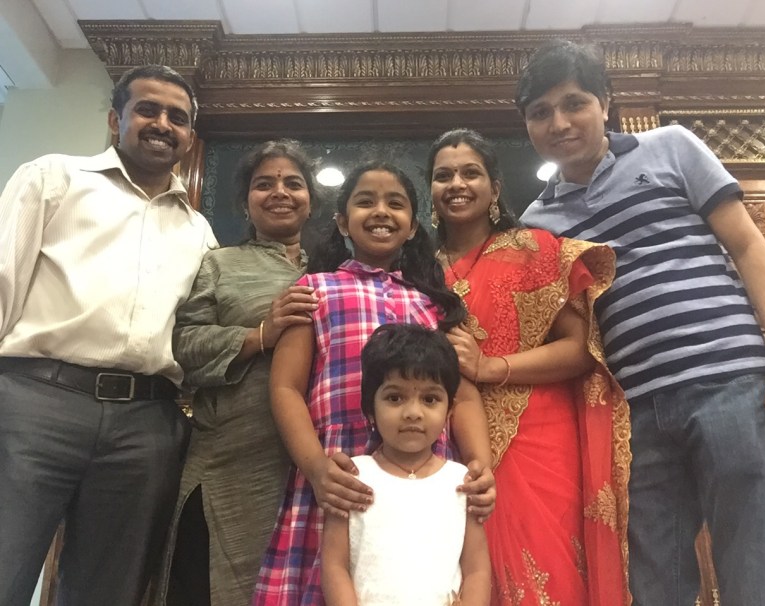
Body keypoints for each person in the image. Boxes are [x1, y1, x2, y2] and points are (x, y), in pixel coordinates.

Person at [516, 39, 765, 606]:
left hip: (730, 383)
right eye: (540, 112)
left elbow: (750, 247)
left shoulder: (671, 146)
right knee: (655, 584)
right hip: (632, 413)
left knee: (754, 568)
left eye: (574, 103)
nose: (559, 123)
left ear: (605, 103)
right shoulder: (537, 223)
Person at [0, 65, 217, 606]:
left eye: (178, 117)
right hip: (36, 402)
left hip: (147, 423)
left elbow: (195, 331)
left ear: (190, 135)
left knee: (109, 590)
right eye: (148, 109)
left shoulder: (198, 231)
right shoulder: (53, 178)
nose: (162, 124)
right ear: (116, 119)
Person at [253, 161, 494, 606]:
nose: (381, 211)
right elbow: (285, 388)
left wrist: (480, 465)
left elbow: (462, 395)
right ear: (342, 221)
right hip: (338, 475)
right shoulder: (313, 291)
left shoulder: (433, 304)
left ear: (413, 227)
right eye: (365, 202)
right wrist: (316, 469)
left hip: (425, 476)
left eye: (395, 204)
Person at [428, 128, 630, 605]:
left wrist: (490, 366)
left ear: (495, 188)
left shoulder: (535, 249)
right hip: (450, 439)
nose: (456, 184)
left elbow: (580, 349)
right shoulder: (420, 270)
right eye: (443, 175)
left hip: (539, 434)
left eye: (471, 173)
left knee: (550, 572)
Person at [149, 140, 321, 606]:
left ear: (310, 202)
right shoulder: (219, 264)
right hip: (228, 466)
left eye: (293, 183)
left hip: (312, 470)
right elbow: (183, 346)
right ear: (246, 202)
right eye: (264, 184)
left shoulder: (334, 272)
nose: (279, 192)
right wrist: (261, 334)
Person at [321, 323, 491, 606]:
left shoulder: (462, 482)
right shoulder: (352, 478)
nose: (413, 412)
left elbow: (477, 570)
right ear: (370, 409)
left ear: (449, 410)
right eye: (395, 398)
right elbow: (334, 565)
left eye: (430, 399)